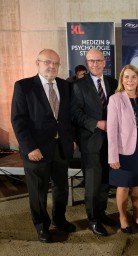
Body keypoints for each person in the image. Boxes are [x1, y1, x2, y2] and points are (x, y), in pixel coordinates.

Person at [11, 49, 76, 243]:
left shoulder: (65, 86)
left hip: (60, 148)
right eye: (47, 62)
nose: (52, 66)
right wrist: (29, 147)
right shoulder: (24, 86)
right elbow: (18, 120)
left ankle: (59, 219)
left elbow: (68, 118)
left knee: (61, 188)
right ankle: (41, 226)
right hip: (36, 150)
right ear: (37, 62)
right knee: (38, 192)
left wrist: (71, 138)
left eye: (56, 63)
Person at [71, 48, 118, 236]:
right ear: (87, 62)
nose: (95, 64)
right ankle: (92, 220)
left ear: (104, 62)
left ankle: (101, 213)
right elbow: (75, 114)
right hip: (91, 141)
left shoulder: (113, 82)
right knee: (92, 183)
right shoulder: (78, 85)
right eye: (91, 61)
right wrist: (96, 123)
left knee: (106, 181)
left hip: (112, 142)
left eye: (98, 60)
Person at [107, 65, 138, 235]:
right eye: (126, 77)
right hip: (123, 150)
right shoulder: (116, 99)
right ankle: (123, 217)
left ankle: (137, 215)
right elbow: (111, 130)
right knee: (123, 185)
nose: (130, 80)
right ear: (122, 80)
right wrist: (113, 156)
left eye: (133, 77)